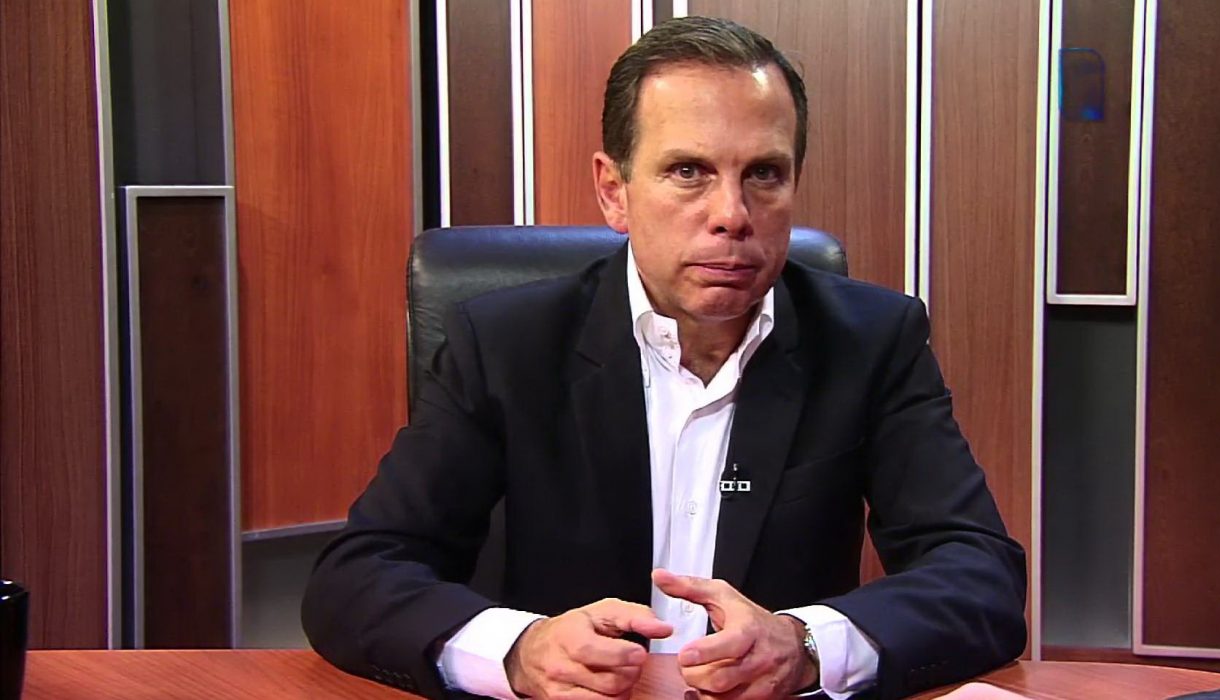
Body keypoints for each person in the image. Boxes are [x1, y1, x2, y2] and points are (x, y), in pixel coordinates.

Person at [303, 16, 1026, 700]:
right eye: (688, 171)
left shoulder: (871, 341)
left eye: (764, 174)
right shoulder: (505, 345)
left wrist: (806, 645)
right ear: (613, 191)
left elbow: (979, 576)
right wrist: (519, 651)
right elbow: (358, 577)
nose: (732, 214)